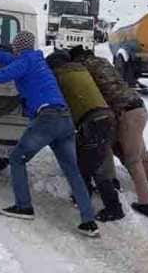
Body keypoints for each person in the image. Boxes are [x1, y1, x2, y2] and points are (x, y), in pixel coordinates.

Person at [0, 32, 100, 237]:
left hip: (47, 118)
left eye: (14, 46)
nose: (13, 49)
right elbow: (11, 61)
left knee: (17, 158)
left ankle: (23, 206)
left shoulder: (25, 62)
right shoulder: (35, 60)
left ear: (18, 47)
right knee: (72, 170)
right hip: (64, 119)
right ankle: (89, 221)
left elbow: (6, 73)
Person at [69, 46, 148, 218]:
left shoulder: (84, 69)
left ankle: (147, 204)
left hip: (125, 113)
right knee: (141, 155)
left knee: (132, 159)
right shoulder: (103, 62)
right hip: (138, 107)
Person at [45, 50, 124, 222]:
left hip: (92, 120)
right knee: (88, 159)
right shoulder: (80, 70)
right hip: (105, 116)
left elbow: (60, 103)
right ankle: (83, 195)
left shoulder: (59, 76)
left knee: (90, 165)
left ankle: (113, 208)